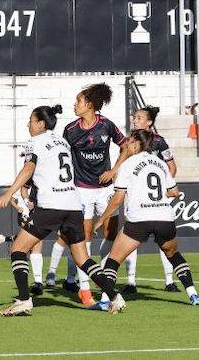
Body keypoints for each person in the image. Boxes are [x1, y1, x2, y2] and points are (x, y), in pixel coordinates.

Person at [0, 105, 124, 316]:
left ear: (41, 124)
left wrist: (9, 193)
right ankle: (115, 296)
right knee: (82, 259)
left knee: (17, 249)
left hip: (51, 206)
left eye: (31, 120)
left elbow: (29, 169)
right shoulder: (62, 142)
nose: (28, 124)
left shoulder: (34, 142)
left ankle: (24, 300)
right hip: (73, 206)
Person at [94, 129, 199, 309]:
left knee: (114, 259)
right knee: (173, 255)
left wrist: (101, 219)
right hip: (165, 218)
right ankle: (193, 295)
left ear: (136, 144)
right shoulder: (160, 163)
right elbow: (174, 192)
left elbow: (117, 200)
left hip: (140, 219)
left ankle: (105, 300)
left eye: (129, 141)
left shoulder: (128, 165)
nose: (126, 144)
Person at [50, 83, 128, 308]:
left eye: (78, 101)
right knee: (83, 238)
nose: (74, 105)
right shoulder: (71, 130)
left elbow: (126, 147)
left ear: (90, 105)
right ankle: (84, 289)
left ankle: (104, 282)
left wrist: (114, 171)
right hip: (81, 190)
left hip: (106, 191)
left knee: (110, 234)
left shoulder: (106, 125)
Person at [122, 106, 180, 293]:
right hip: (134, 197)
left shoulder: (159, 142)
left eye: (139, 118)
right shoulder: (130, 140)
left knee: (164, 240)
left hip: (156, 198)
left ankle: (169, 281)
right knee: (131, 238)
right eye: (135, 117)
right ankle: (131, 282)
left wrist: (165, 187)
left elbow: (172, 166)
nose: (135, 120)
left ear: (149, 122)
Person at [0, 186, 45, 296]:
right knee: (34, 243)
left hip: (36, 215)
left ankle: (37, 283)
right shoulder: (22, 186)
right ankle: (37, 284)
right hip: (24, 215)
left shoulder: (39, 183)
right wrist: (18, 208)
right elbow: (10, 198)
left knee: (34, 243)